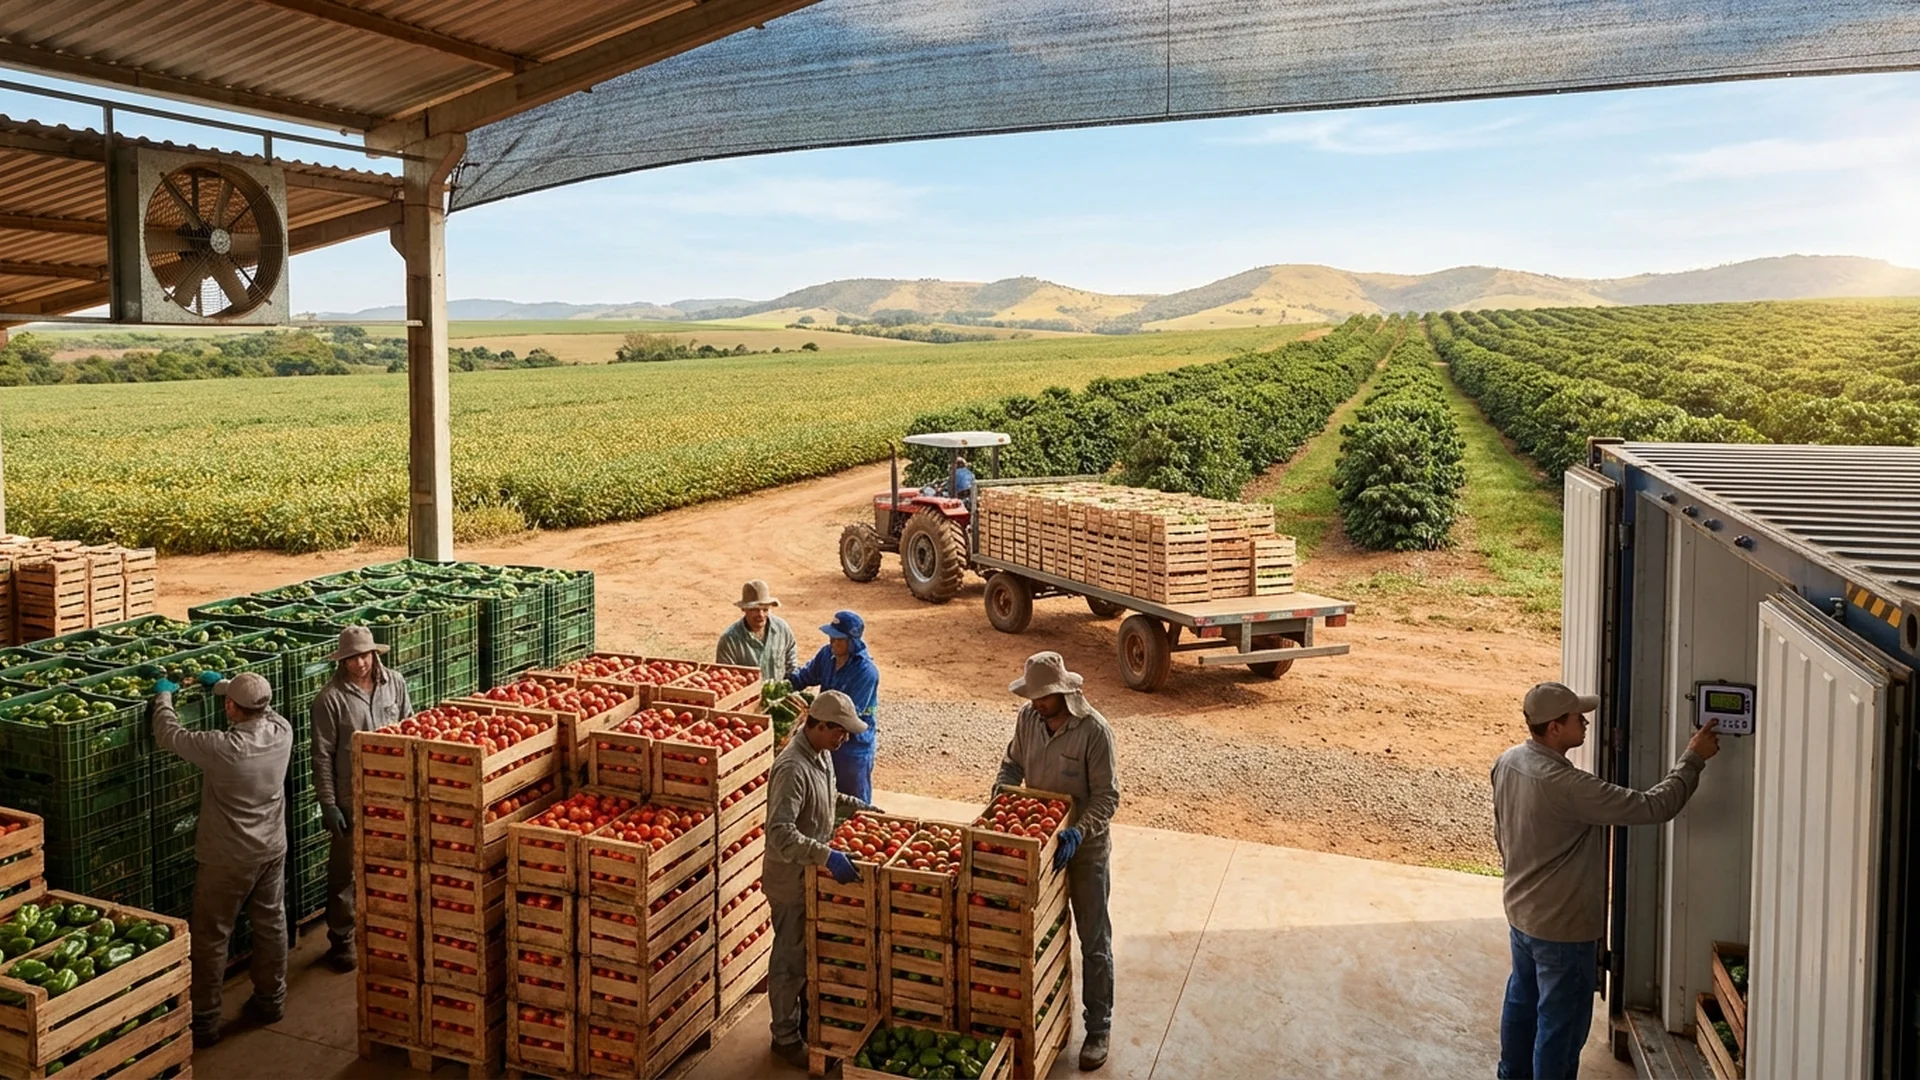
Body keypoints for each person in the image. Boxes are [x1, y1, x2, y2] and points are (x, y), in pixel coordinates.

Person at [1493, 682, 1722, 1080]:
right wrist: (1693, 758)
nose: (1585, 721)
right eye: (1575, 717)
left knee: (1522, 1003)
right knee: (1560, 1028)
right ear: (1552, 729)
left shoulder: (1509, 761)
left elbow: (1501, 831)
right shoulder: (1568, 786)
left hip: (1522, 914)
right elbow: (1655, 805)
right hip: (1563, 930)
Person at [151, 669, 293, 1048]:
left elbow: (170, 735)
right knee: (271, 923)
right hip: (272, 848)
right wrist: (225, 685)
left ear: (231, 707)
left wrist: (163, 698)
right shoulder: (282, 731)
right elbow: (264, 709)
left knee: (213, 935)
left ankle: (205, 1020)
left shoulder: (223, 748)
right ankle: (271, 1000)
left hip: (228, 856)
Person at [994, 651, 1121, 1072]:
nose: (1036, 703)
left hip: (1083, 851)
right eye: (1032, 695)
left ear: (1063, 693)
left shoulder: (1094, 732)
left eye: (1043, 697)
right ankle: (1048, 1015)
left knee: (1093, 938)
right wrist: (1004, 794)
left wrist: (1077, 831)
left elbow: (1107, 797)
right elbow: (1012, 764)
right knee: (1041, 940)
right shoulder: (1027, 719)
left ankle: (1098, 1028)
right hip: (1037, 847)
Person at [762, 690, 870, 1070]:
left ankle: (804, 1024)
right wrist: (827, 855)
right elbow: (780, 832)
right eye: (841, 732)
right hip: (790, 878)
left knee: (806, 954)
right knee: (789, 959)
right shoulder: (792, 767)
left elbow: (827, 794)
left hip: (809, 873)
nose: (846, 739)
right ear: (821, 726)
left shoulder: (821, 754)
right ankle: (785, 1038)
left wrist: (858, 808)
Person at [310, 625, 414, 973]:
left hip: (393, 790)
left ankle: (387, 929)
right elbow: (322, 756)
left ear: (375, 654)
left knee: (392, 861)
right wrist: (328, 803)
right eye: (352, 658)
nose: (360, 664)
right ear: (342, 661)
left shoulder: (395, 683)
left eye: (365, 656)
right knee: (345, 872)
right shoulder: (330, 699)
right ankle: (342, 939)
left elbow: (409, 727)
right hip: (351, 796)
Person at [789, 610, 880, 802]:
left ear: (852, 642)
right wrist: (786, 686)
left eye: (838, 639)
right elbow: (806, 675)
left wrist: (810, 713)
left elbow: (846, 715)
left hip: (852, 747)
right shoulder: (826, 655)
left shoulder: (866, 673)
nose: (832, 642)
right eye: (831, 636)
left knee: (853, 802)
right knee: (824, 797)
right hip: (826, 738)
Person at [716, 579, 800, 683]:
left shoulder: (782, 629)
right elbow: (727, 680)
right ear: (744, 609)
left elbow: (792, 663)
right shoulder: (729, 640)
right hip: (747, 698)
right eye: (755, 609)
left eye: (765, 609)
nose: (761, 615)